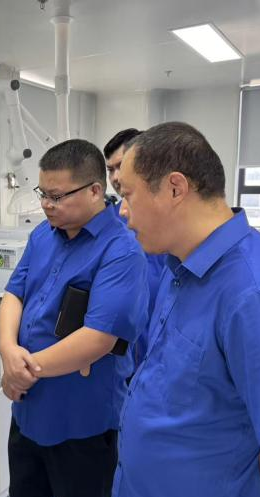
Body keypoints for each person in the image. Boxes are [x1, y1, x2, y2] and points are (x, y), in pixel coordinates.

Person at [111, 121, 260, 497]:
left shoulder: (258, 297)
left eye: (127, 194)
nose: (122, 211)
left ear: (175, 188)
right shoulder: (182, 268)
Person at [0, 139, 149, 497]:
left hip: (81, 423)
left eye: (57, 196)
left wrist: (22, 370)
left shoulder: (121, 250)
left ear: (95, 190)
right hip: (28, 412)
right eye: (42, 194)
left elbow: (98, 339)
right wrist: (7, 350)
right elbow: (13, 294)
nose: (46, 205)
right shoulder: (41, 236)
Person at [104, 128, 165, 363]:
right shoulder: (111, 220)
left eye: (121, 166)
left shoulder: (169, 224)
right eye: (110, 170)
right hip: (123, 349)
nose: (116, 177)